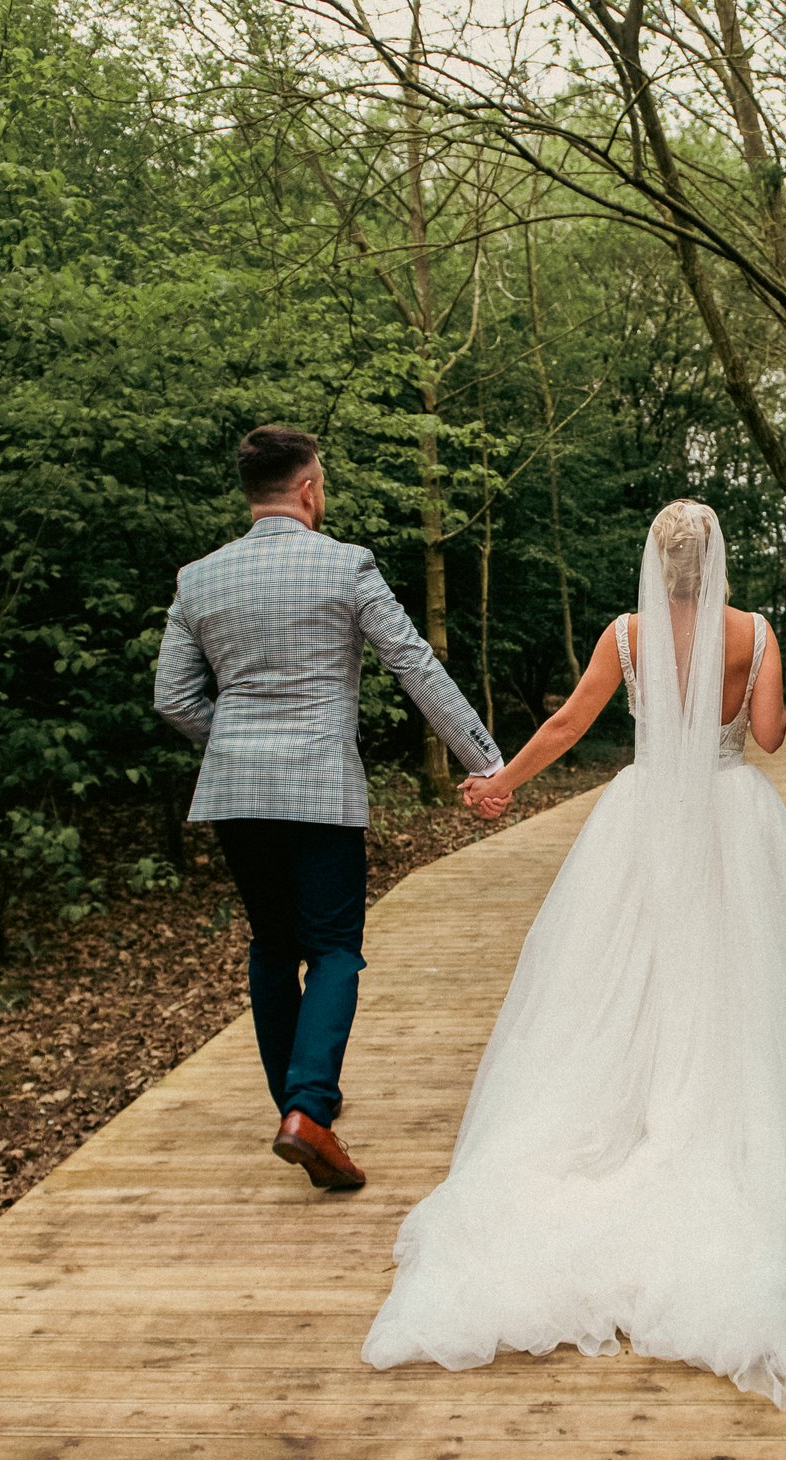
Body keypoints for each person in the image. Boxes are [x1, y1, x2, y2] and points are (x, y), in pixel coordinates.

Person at [361, 499, 786, 1413]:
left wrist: (501, 785)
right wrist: (754, 684)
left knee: (623, 986)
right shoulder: (755, 634)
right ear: (717, 558)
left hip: (644, 821)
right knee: (740, 991)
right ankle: (733, 1132)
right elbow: (767, 740)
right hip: (733, 819)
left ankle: (638, 1121)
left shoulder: (626, 633)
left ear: (654, 562)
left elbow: (571, 724)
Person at [153, 425, 506, 1192]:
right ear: (309, 487)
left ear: (254, 491)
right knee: (336, 947)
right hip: (319, 789)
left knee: (273, 945)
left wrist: (239, 743)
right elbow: (413, 663)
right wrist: (488, 761)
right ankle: (310, 1110)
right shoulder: (347, 566)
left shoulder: (198, 579)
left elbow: (173, 698)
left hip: (236, 796)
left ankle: (299, 1108)